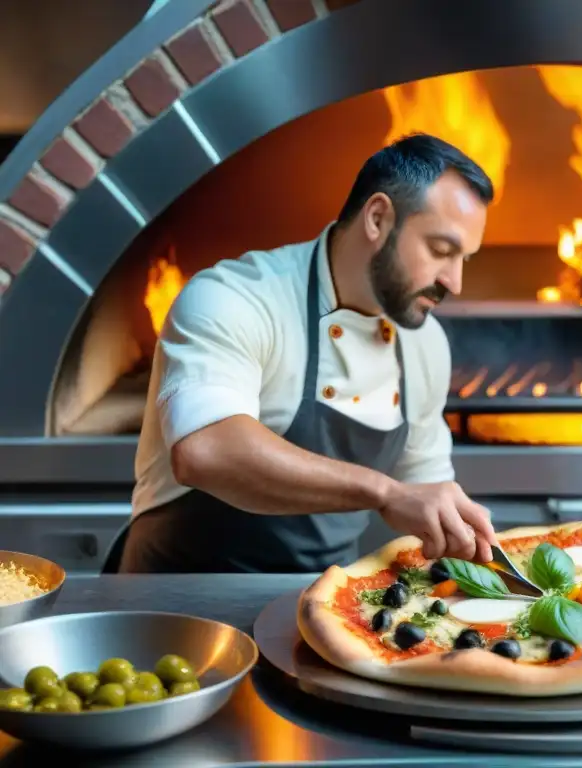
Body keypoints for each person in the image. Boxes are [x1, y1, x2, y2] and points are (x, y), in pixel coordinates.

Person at [107, 133, 499, 574]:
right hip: (176, 604)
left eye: (465, 258)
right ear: (377, 218)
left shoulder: (425, 344)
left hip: (318, 605)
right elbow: (207, 450)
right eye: (441, 250)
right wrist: (383, 493)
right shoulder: (235, 297)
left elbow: (426, 487)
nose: (455, 281)